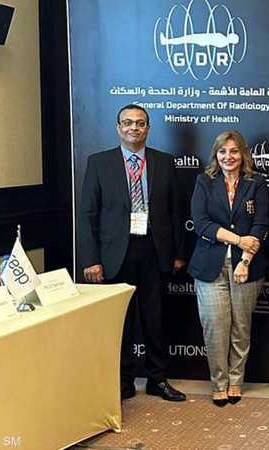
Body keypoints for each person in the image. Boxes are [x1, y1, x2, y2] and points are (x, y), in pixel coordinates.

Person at [78, 104, 186, 402]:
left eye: (140, 123)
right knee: (120, 321)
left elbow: (175, 212)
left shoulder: (164, 162)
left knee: (155, 319)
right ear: (118, 127)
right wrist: (91, 259)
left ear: (148, 129)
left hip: (154, 249)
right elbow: (87, 214)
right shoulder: (99, 163)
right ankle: (122, 381)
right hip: (115, 253)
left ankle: (157, 379)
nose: (133, 128)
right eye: (127, 122)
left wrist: (178, 253)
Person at [188, 130, 269, 406]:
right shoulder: (204, 181)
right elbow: (201, 223)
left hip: (247, 265)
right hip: (209, 265)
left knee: (241, 327)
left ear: (243, 154)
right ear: (216, 154)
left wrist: (244, 261)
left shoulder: (257, 182)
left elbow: (261, 224)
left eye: (234, 151)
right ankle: (218, 382)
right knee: (215, 326)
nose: (228, 156)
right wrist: (238, 240)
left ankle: (236, 381)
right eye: (223, 151)